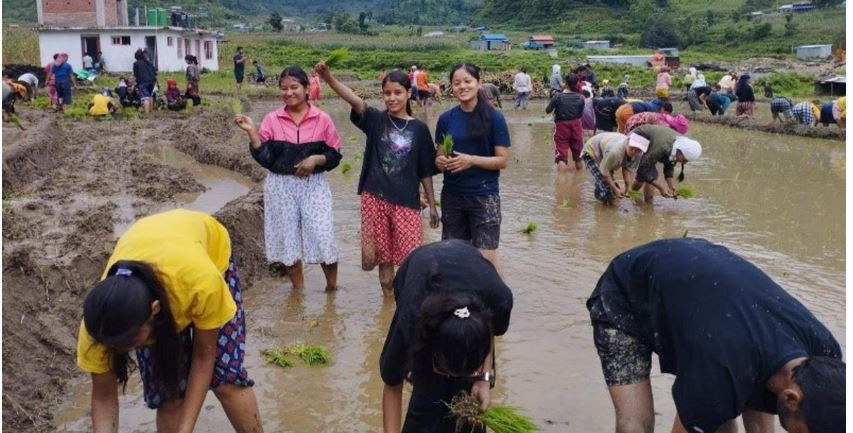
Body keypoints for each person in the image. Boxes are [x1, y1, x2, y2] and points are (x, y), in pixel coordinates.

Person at [587, 237, 845, 433]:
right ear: (791, 398)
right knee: (635, 424)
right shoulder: (722, 370)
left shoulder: (826, 356)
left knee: (719, 406)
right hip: (627, 292)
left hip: (705, 293)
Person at [76, 209, 264, 433]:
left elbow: (204, 356)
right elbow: (104, 396)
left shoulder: (201, 284)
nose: (124, 350)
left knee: (226, 380)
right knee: (169, 394)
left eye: (130, 341)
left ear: (154, 310)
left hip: (204, 253)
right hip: (154, 249)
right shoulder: (98, 327)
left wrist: (186, 429)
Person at [316, 62, 439, 297]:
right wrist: (329, 78)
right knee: (384, 258)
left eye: (397, 93)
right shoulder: (375, 120)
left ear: (409, 93)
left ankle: (407, 303)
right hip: (375, 199)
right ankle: (388, 303)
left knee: (411, 257)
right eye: (387, 93)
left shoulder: (420, 130)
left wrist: (432, 205)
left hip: (407, 202)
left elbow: (425, 171)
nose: (392, 98)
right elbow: (353, 100)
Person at [380, 239, 513, 433]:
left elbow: (489, 330)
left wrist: (483, 379)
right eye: (445, 370)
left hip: (472, 270)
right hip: (421, 268)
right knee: (427, 400)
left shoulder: (499, 298)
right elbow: (392, 385)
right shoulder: (411, 317)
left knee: (469, 407)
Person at [234, 65, 342, 291]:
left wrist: (316, 159)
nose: (289, 92)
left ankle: (332, 290)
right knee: (287, 243)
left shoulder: (322, 119)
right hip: (280, 186)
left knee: (323, 237)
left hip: (314, 186)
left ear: (307, 88)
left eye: (294, 87)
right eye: (284, 88)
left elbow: (335, 155)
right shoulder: (272, 119)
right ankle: (298, 293)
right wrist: (252, 132)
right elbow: (266, 158)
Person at [434, 64, 511, 270]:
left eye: (468, 81)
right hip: (452, 196)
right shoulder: (446, 119)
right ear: (451, 87)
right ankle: (461, 293)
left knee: (486, 258)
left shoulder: (494, 118)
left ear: (479, 83)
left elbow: (502, 160)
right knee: (454, 257)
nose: (462, 86)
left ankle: (497, 292)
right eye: (456, 83)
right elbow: (439, 156)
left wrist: (472, 160)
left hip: (484, 196)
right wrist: (440, 161)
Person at [629, 124, 702, 202]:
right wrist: (661, 188)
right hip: (638, 139)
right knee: (652, 175)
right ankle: (647, 203)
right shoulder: (662, 147)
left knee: (644, 177)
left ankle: (633, 197)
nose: (685, 163)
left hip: (652, 145)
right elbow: (642, 169)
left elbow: (669, 166)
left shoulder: (677, 146)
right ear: (680, 153)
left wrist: (671, 186)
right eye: (684, 160)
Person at [582, 132, 647, 206]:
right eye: (632, 147)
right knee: (610, 190)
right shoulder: (615, 152)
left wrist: (628, 186)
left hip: (605, 152)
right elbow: (605, 172)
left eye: (638, 150)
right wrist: (615, 189)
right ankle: (602, 201)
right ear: (628, 142)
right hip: (592, 151)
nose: (633, 151)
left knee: (609, 187)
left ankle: (600, 195)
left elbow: (627, 168)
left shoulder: (638, 155)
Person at [546, 72, 586, 171]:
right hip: (576, 126)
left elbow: (548, 110)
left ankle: (561, 180)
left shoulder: (557, 96)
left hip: (561, 127)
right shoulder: (581, 98)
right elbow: (580, 114)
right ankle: (579, 179)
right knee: (578, 157)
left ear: (565, 83)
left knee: (561, 157)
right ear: (576, 84)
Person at [133, 48, 158, 114]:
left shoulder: (136, 63)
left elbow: (135, 75)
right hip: (152, 82)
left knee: (145, 98)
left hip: (143, 82)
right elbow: (155, 73)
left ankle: (147, 114)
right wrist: (157, 82)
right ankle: (151, 111)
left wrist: (134, 84)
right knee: (150, 96)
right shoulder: (149, 63)